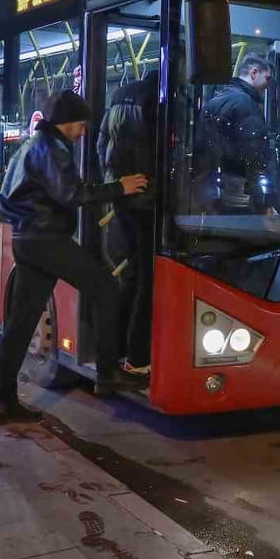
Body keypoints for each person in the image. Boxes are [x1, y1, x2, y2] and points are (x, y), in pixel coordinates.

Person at [0, 91, 148, 425]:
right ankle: (107, 374)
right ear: (65, 123)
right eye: (80, 125)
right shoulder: (52, 149)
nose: (82, 131)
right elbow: (73, 194)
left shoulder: (30, 146)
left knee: (21, 323)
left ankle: (3, 402)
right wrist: (120, 187)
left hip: (28, 239)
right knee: (106, 287)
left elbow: (7, 197)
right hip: (47, 240)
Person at [97, 70, 159, 378]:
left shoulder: (121, 94)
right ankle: (138, 357)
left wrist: (115, 185)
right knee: (148, 279)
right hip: (147, 197)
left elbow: (101, 145)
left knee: (132, 275)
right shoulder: (158, 98)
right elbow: (163, 150)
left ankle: (117, 351)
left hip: (123, 194)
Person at [200, 54, 275, 211]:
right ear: (253, 72)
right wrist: (262, 195)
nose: (268, 85)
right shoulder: (246, 104)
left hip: (214, 185)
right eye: (267, 78)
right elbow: (254, 152)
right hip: (239, 190)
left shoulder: (215, 100)